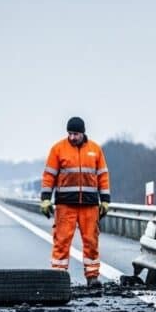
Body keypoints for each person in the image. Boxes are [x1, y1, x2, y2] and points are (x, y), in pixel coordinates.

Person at [40, 117, 111, 288]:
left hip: (89, 205)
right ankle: (59, 276)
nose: (72, 137)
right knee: (61, 241)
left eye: (76, 134)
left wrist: (106, 200)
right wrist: (45, 199)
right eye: (70, 134)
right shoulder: (58, 149)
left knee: (91, 242)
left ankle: (92, 276)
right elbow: (49, 176)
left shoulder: (95, 150)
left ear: (83, 133)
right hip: (66, 205)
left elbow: (103, 176)